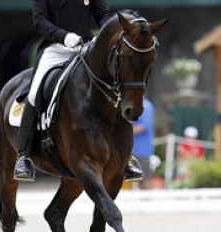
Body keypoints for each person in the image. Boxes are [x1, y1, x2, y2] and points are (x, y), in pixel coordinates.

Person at [14, 0, 143, 181]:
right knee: (35, 95)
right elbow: (40, 21)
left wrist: (106, 33)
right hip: (57, 48)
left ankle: (125, 158)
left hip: (88, 45)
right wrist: (63, 36)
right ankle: (23, 156)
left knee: (114, 89)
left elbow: (103, 14)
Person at [131, 97, 155, 189]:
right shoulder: (131, 105)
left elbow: (144, 126)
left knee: (146, 178)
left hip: (143, 150)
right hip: (132, 149)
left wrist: (125, 132)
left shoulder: (146, 106)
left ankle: (148, 201)